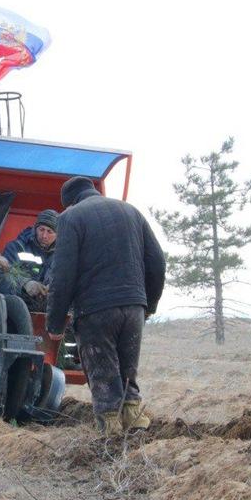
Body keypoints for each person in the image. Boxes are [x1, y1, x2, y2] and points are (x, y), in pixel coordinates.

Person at [45, 177, 166, 435]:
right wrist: (148, 304)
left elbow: (62, 274)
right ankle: (135, 431)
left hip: (95, 311)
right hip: (134, 305)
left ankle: (110, 439)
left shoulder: (70, 218)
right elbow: (157, 262)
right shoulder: (130, 211)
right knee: (127, 374)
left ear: (68, 202)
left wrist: (54, 322)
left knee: (103, 381)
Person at [0, 209, 59, 311]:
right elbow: (1, 278)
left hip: (46, 312)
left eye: (50, 232)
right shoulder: (16, 248)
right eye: (41, 229)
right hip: (14, 308)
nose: (44, 236)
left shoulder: (62, 256)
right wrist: (25, 284)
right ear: (35, 229)